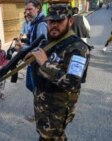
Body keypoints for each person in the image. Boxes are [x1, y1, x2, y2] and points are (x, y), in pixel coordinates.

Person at [29, 4, 90, 141]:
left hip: (57, 109)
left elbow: (72, 83)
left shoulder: (78, 48)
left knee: (53, 137)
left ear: (70, 21)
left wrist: (45, 64)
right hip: (43, 103)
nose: (54, 25)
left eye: (60, 21)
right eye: (51, 21)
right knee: (46, 135)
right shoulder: (51, 41)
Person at [15, 0, 47, 122]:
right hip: (32, 61)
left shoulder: (42, 23)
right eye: (26, 10)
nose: (27, 12)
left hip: (38, 63)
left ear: (38, 8)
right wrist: (22, 44)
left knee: (37, 89)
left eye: (30, 9)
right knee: (30, 85)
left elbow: (43, 46)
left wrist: (24, 48)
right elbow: (32, 41)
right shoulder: (34, 22)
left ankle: (40, 113)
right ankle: (41, 107)